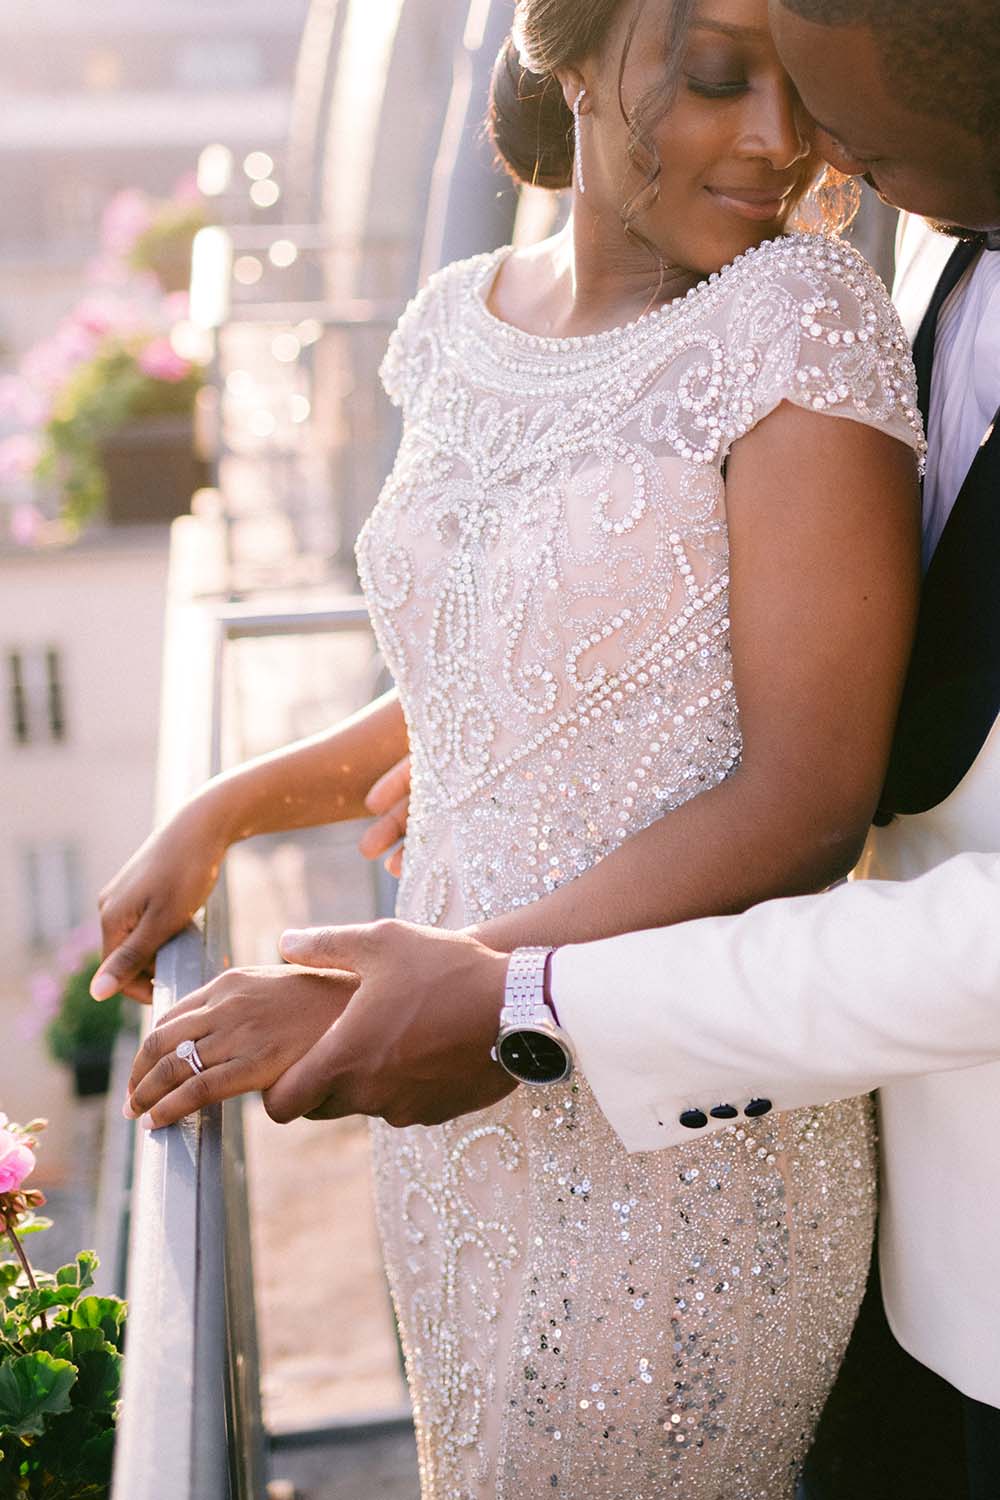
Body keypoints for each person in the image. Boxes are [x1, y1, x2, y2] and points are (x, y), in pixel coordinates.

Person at [134, 1, 998, 1494]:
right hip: (456, 1096)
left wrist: (478, 989)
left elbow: (809, 790)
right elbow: (486, 659)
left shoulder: (803, 313)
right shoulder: (456, 318)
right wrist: (229, 805)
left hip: (662, 1114)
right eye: (720, 78)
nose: (784, 143)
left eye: (802, 94)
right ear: (569, 47)